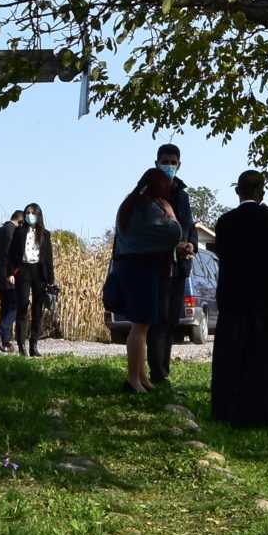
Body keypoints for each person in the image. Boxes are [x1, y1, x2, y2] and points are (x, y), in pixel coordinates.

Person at [210, 169, 268, 427]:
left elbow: (222, 251)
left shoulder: (225, 221)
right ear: (262, 192)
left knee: (232, 358)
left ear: (238, 191)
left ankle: (229, 412)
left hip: (234, 299)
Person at [112, 168, 186, 393]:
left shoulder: (127, 205)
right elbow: (174, 233)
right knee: (140, 327)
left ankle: (142, 377)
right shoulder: (150, 208)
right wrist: (171, 214)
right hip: (143, 269)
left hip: (127, 266)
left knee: (139, 326)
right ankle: (133, 380)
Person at [145, 144, 197, 386]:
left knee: (171, 322)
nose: (169, 166)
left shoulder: (181, 194)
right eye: (165, 161)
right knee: (158, 321)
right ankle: (157, 373)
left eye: (173, 162)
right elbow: (148, 230)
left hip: (179, 268)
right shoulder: (149, 193)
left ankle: (163, 372)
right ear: (156, 163)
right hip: (158, 266)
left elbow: (190, 225)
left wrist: (191, 245)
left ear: (179, 165)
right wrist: (170, 247)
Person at [0, 202, 56, 355]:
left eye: (33, 213)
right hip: (23, 271)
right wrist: (11, 273)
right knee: (22, 307)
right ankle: (22, 346)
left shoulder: (45, 234)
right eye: (28, 213)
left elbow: (48, 258)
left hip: (39, 272)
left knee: (37, 310)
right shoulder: (19, 232)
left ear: (38, 215)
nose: (29, 216)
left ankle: (34, 345)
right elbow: (12, 256)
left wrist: (50, 279)